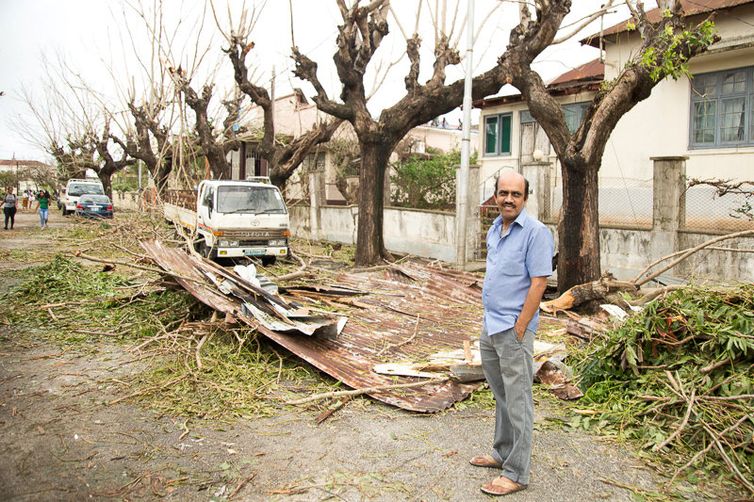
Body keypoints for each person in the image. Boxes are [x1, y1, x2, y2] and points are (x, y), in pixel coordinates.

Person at [470, 168, 554, 496]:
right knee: (502, 394)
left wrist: (521, 327)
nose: (508, 199)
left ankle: (517, 471)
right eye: (503, 193)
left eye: (515, 194)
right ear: (496, 196)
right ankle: (502, 452)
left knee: (518, 399)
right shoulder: (495, 228)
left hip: (513, 329)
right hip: (490, 324)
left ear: (525, 198)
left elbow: (539, 283)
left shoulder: (536, 232)